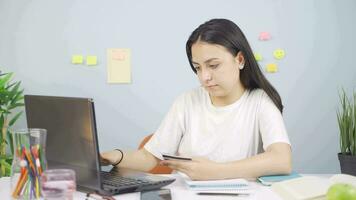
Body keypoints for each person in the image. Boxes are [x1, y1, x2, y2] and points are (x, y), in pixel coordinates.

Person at [101, 18, 292, 181]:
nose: (204, 77)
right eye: (198, 67)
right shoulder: (187, 101)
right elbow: (149, 158)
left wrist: (215, 172)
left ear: (240, 60)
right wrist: (112, 156)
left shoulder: (259, 102)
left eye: (213, 65)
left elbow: (282, 160)